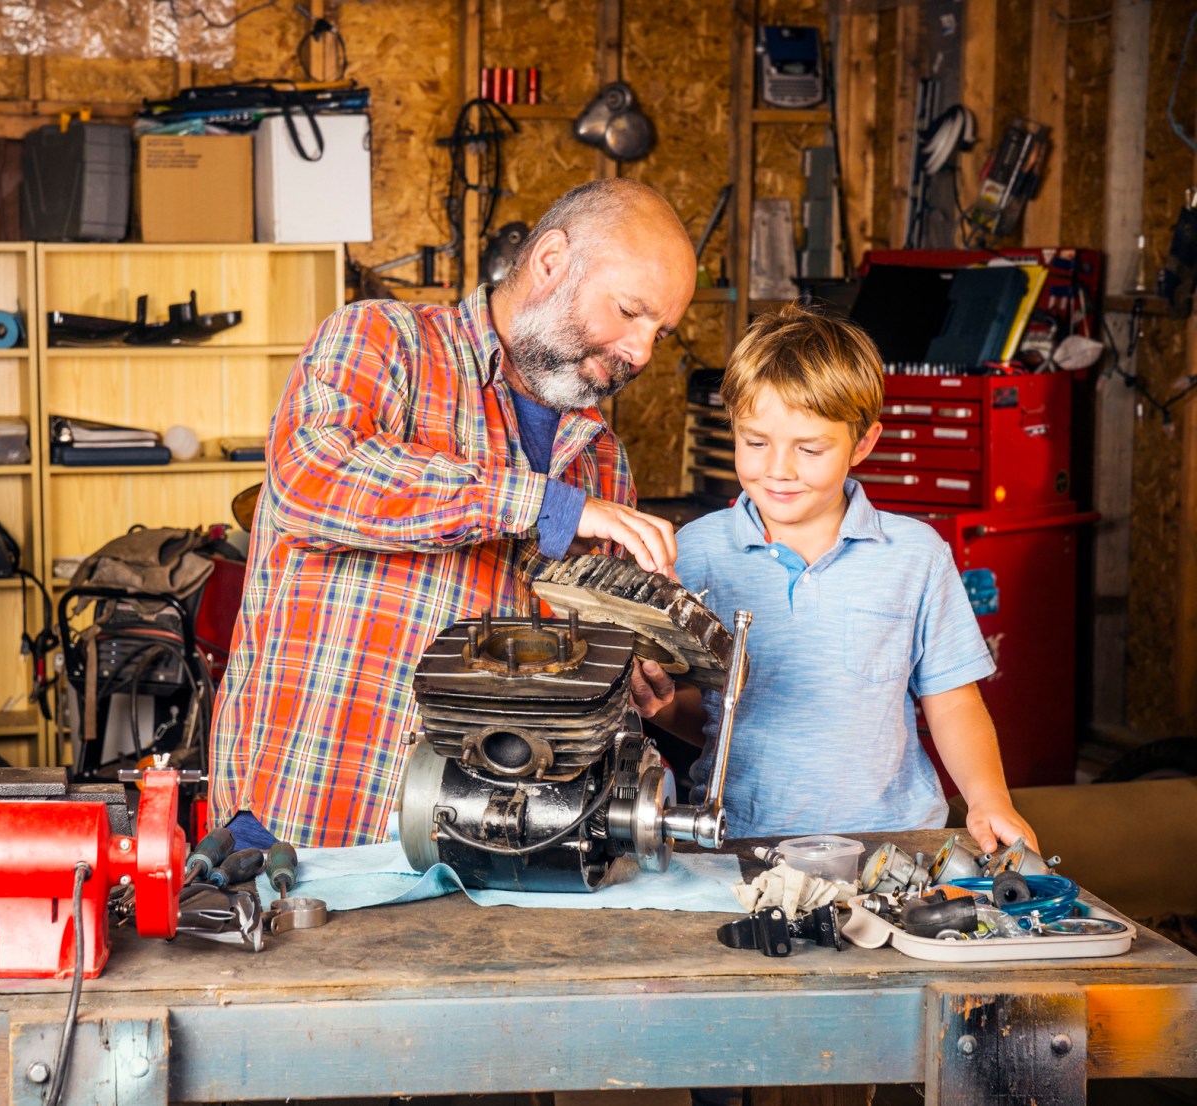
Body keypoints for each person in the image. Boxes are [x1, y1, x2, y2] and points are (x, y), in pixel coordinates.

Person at [209, 178, 698, 849]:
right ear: (552, 262)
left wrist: (622, 671)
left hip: (481, 842)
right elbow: (308, 476)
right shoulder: (381, 340)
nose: (641, 353)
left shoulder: (601, 458)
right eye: (630, 312)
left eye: (659, 333)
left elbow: (572, 668)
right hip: (311, 815)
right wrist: (542, 505)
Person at [648, 305, 1037, 855]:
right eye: (755, 442)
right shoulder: (696, 554)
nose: (778, 469)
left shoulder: (915, 556)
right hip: (743, 842)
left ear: (862, 443)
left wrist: (988, 796)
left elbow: (951, 702)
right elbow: (706, 715)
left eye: (809, 448)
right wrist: (659, 703)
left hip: (895, 840)